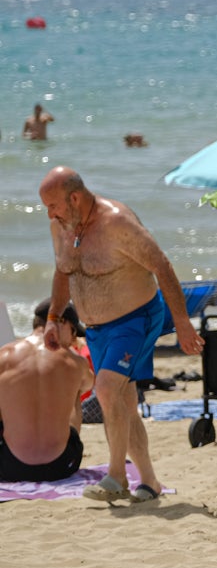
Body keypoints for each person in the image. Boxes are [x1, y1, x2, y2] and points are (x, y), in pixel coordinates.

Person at [39, 167, 203, 503]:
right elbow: (63, 270)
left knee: (106, 389)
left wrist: (182, 322)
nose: (49, 214)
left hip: (136, 319)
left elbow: (162, 265)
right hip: (97, 329)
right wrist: (54, 317)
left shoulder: (117, 223)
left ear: (74, 198)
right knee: (123, 403)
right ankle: (150, 481)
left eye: (53, 205)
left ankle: (116, 477)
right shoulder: (62, 226)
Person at [0, 304, 93, 481]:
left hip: (9, 467)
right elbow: (88, 385)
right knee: (75, 390)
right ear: (61, 323)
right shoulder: (75, 361)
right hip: (61, 466)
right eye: (73, 331)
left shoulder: (4, 355)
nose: (74, 339)